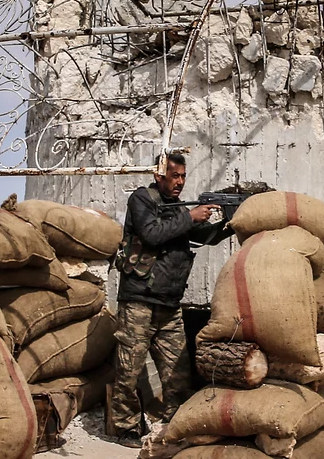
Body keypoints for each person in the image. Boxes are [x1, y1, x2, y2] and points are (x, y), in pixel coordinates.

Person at [108, 153, 230, 446]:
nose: (180, 182)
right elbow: (151, 234)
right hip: (139, 299)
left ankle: (175, 424)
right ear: (158, 176)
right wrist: (191, 216)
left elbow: (205, 235)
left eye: (183, 176)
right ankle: (126, 427)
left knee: (178, 371)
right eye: (175, 176)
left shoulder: (177, 208)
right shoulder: (142, 199)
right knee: (129, 369)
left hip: (169, 304)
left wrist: (229, 222)